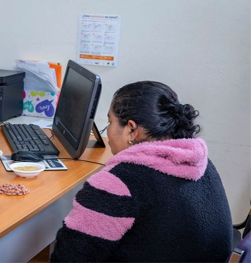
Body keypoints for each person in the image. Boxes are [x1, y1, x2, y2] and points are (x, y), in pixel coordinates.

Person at [50, 81, 232, 262]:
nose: (109, 132)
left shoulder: (117, 184)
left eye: (110, 122)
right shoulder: (202, 164)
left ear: (131, 129)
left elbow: (68, 259)